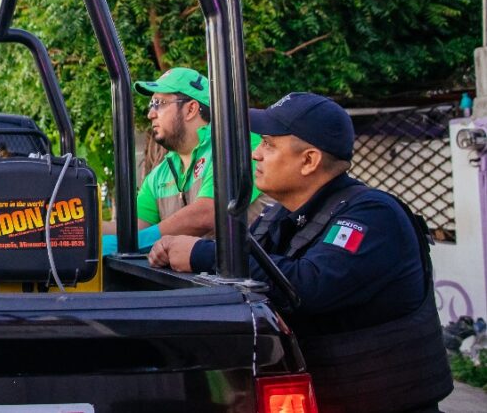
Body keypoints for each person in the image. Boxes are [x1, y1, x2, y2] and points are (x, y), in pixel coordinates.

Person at [149, 92, 452, 412]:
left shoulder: (373, 215)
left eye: (268, 144)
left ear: (309, 160)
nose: (255, 154)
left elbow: (307, 286)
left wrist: (200, 253)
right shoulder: (278, 216)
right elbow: (243, 275)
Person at [102, 67, 269, 254]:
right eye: (151, 104)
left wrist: (125, 246)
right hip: (199, 279)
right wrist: (80, 232)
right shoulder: (161, 172)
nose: (150, 114)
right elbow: (133, 227)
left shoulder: (234, 146)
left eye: (159, 103)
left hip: (251, 277)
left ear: (191, 109)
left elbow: (205, 215)